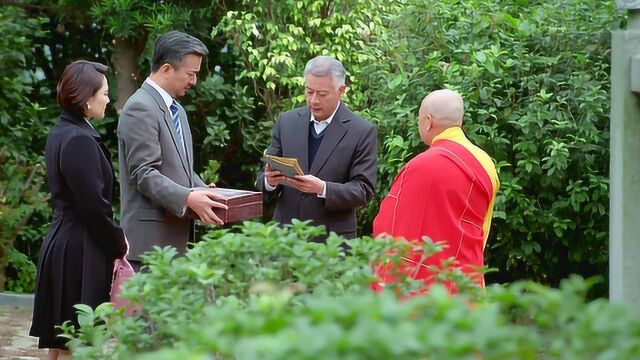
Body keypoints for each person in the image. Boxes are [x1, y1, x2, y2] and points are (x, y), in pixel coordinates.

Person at [29, 61, 128, 359]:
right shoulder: (79, 139)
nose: (108, 99)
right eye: (104, 93)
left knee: (63, 342)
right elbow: (92, 207)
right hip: (80, 250)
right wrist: (118, 241)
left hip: (65, 243)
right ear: (87, 97)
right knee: (76, 342)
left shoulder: (62, 131)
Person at [372, 89, 499, 292]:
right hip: (465, 278)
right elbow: (482, 226)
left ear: (428, 121)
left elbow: (391, 223)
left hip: (423, 284)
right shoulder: (484, 163)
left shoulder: (421, 166)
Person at [118, 31, 227, 269]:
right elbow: (144, 173)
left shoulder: (176, 109)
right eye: (191, 74)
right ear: (167, 69)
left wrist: (200, 189)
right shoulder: (140, 107)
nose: (194, 81)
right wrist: (188, 197)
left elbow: (179, 168)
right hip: (149, 249)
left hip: (173, 244)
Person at [257, 56, 377, 241]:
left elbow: (363, 190)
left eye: (322, 94)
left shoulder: (361, 131)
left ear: (341, 91)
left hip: (333, 242)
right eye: (309, 91)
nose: (313, 100)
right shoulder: (287, 122)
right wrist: (269, 182)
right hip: (286, 239)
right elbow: (262, 179)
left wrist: (323, 188)